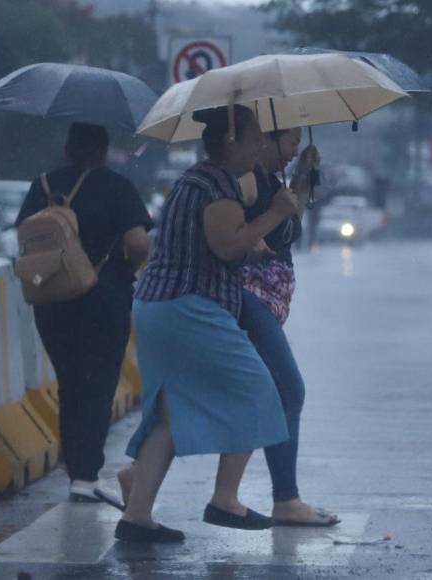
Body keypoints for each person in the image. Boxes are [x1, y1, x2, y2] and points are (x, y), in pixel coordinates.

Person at [113, 105, 299, 543]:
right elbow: (227, 244)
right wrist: (274, 213)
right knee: (261, 392)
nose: (260, 146)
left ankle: (137, 515)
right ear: (231, 140)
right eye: (255, 138)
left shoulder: (196, 179)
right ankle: (225, 498)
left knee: (169, 415)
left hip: (157, 305)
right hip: (189, 308)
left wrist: (252, 246)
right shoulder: (219, 184)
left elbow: (209, 244)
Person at [15, 122, 152, 502]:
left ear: (67, 148)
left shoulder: (42, 185)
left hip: (51, 298)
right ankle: (85, 476)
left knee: (70, 383)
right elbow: (138, 243)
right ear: (103, 151)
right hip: (103, 298)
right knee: (98, 385)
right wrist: (127, 267)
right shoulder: (117, 187)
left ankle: (76, 469)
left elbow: (23, 235)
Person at [239, 128, 339, 526]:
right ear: (263, 138)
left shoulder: (270, 181)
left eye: (298, 145)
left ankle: (140, 478)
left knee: (266, 391)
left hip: (268, 296)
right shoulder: (246, 181)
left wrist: (301, 174)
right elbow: (242, 232)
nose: (292, 150)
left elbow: (287, 219)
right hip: (249, 294)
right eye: (289, 144)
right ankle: (285, 498)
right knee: (288, 390)